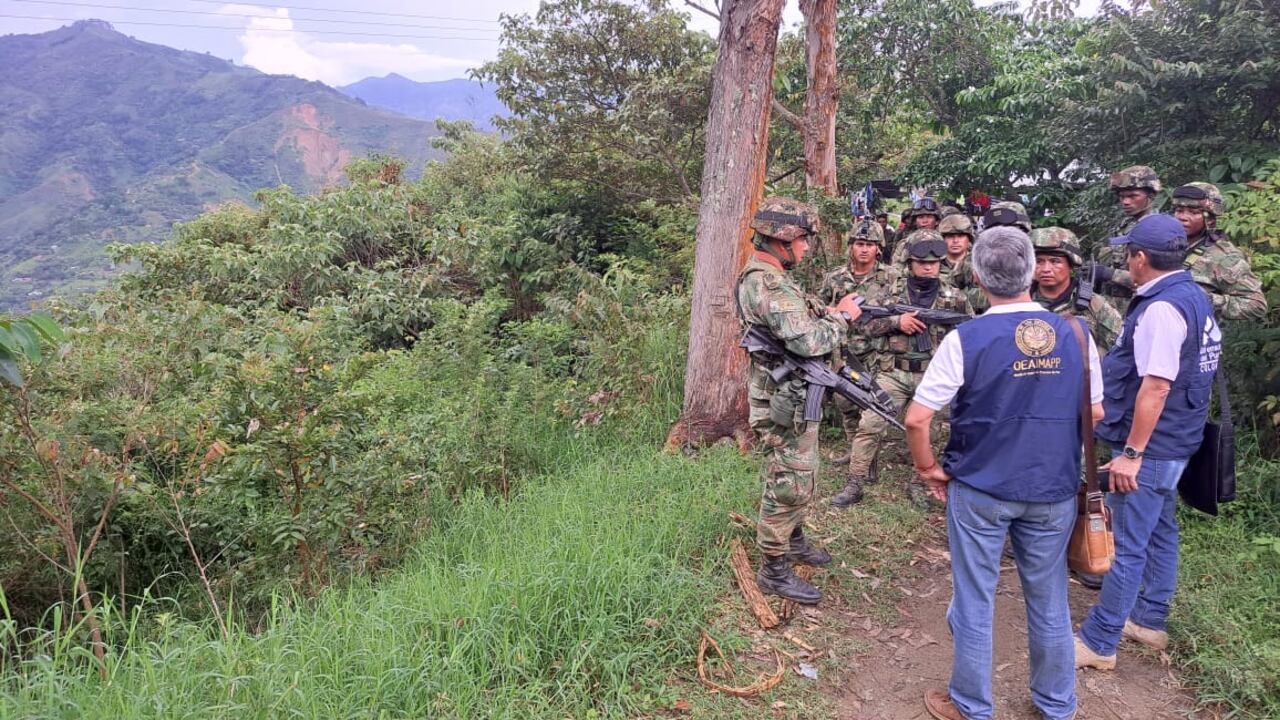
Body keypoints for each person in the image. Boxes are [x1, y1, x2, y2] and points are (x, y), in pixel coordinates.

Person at [905, 226, 1103, 720]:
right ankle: (1057, 704)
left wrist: (929, 468)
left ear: (976, 277)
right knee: (1050, 596)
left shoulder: (966, 338)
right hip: (1053, 488)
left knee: (975, 596)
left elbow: (917, 417)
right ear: (1034, 273)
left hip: (980, 489)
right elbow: (1095, 414)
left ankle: (972, 705)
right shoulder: (1077, 333)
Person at [1076, 214, 1222, 670]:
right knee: (1161, 530)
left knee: (1130, 543)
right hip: (1178, 440)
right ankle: (1150, 619)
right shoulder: (1191, 295)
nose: (1127, 261)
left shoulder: (1162, 308)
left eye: (1129, 254)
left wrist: (1133, 455)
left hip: (1153, 447)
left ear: (1140, 258)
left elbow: (1156, 386)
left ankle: (1100, 642)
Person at [737, 197, 863, 605]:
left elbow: (795, 322)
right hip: (781, 403)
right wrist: (841, 317)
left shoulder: (771, 278)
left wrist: (823, 310)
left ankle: (793, 541)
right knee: (787, 482)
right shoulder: (769, 282)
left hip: (788, 397)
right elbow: (809, 341)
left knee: (799, 476)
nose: (809, 247)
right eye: (805, 239)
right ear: (783, 238)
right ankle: (774, 570)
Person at [834, 230, 972, 509]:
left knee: (932, 433)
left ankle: (921, 483)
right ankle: (856, 482)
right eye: (922, 262)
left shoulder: (954, 297)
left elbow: (970, 333)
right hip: (893, 373)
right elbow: (866, 327)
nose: (928, 267)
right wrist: (897, 322)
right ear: (910, 262)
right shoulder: (889, 293)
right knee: (870, 425)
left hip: (933, 375)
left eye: (934, 262)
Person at [819, 219, 900, 491]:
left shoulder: (891, 277)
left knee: (872, 411)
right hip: (843, 353)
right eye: (859, 244)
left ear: (879, 249)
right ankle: (856, 452)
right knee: (847, 406)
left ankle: (868, 464)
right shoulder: (835, 278)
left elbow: (898, 313)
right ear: (851, 246)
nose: (864, 250)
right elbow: (820, 309)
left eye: (870, 245)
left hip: (877, 354)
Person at [1169, 182, 1269, 321]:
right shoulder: (1164, 245)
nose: (1183, 217)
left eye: (1193, 212)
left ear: (1209, 219)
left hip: (1196, 336)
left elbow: (1256, 305)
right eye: (1179, 210)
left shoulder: (1224, 257)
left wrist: (1204, 299)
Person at [1031, 227, 1124, 349]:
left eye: (1055, 261)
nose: (1046, 269)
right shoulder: (1020, 303)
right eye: (1039, 261)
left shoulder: (1093, 305)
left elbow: (1121, 349)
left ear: (1071, 266)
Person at [1091, 165, 1162, 309]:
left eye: (1133, 196)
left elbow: (1158, 279)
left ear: (1150, 196)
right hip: (1113, 307)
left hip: (1140, 307)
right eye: (1122, 196)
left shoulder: (1158, 229)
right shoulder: (1126, 225)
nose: (1125, 202)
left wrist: (1109, 274)